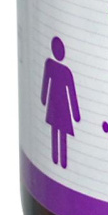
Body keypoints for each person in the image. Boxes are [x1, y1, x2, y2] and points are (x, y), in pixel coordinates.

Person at [40, 36, 81, 168]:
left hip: (61, 106)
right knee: (56, 132)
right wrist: (44, 98)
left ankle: (61, 160)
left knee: (60, 133)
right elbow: (46, 83)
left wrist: (75, 114)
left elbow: (72, 93)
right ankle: (57, 160)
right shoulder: (52, 66)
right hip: (56, 103)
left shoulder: (64, 70)